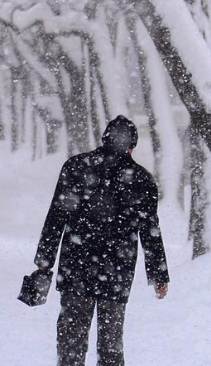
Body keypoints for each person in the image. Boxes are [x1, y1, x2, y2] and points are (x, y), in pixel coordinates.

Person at [32, 115, 169, 366]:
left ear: (105, 138)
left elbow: (56, 217)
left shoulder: (75, 167)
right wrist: (159, 275)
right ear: (131, 146)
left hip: (76, 267)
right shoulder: (141, 179)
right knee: (111, 347)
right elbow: (150, 229)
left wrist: (44, 263)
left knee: (71, 342)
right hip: (117, 271)